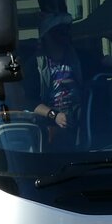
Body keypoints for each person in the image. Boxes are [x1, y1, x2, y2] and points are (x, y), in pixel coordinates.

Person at [30, 11, 84, 148]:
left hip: (79, 115)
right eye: (58, 32)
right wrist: (54, 115)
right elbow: (30, 102)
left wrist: (107, 63)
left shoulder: (77, 56)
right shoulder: (35, 65)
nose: (64, 35)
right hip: (49, 121)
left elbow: (99, 67)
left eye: (66, 31)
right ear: (47, 36)